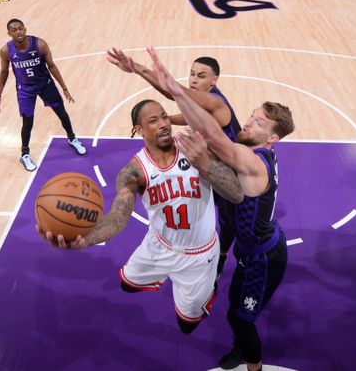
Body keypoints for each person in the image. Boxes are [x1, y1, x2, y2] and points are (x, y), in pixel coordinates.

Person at [147, 47, 293, 371]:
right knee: (234, 311)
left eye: (258, 123)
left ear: (272, 138)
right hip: (252, 248)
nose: (249, 122)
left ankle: (252, 365)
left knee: (241, 319)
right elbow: (211, 129)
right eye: (253, 116)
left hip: (264, 258)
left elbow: (213, 133)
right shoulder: (254, 151)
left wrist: (169, 86)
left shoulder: (253, 161)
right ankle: (241, 348)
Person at [44, 99, 244, 334]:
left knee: (187, 325)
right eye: (153, 120)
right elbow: (118, 217)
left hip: (199, 255)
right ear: (138, 130)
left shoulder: (197, 148)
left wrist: (205, 164)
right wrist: (85, 239)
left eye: (164, 117)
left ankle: (207, 288)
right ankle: (158, 276)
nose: (163, 124)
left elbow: (237, 194)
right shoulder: (134, 172)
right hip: (159, 245)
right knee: (127, 285)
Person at [106, 49, 242, 278]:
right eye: (192, 74)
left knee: (229, 222)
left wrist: (138, 68)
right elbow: (188, 111)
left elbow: (175, 93)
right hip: (211, 164)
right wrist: (166, 119)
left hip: (231, 172)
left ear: (214, 81)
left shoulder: (218, 103)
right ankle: (187, 253)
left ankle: (221, 258)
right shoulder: (204, 101)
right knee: (196, 210)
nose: (194, 79)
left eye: (201, 76)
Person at [0, 19, 86, 170]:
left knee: (62, 113)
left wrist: (64, 88)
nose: (18, 32)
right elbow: (4, 72)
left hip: (45, 85)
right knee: (27, 122)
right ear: (9, 33)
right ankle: (25, 155)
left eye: (20, 29)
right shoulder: (5, 51)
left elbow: (51, 66)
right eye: (14, 30)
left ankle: (72, 138)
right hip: (25, 89)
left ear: (25, 29)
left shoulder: (40, 44)